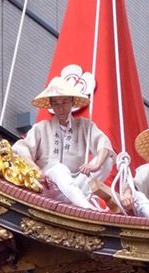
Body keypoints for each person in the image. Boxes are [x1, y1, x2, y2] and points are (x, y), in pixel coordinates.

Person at [12, 76, 114, 209]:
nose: (60, 107)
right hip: (50, 187)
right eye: (56, 103)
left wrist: (95, 165)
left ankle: (77, 200)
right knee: (59, 169)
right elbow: (20, 149)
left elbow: (103, 143)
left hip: (78, 183)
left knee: (107, 160)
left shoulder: (84, 125)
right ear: (51, 105)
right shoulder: (41, 128)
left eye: (64, 102)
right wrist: (36, 171)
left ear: (72, 102)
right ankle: (86, 207)